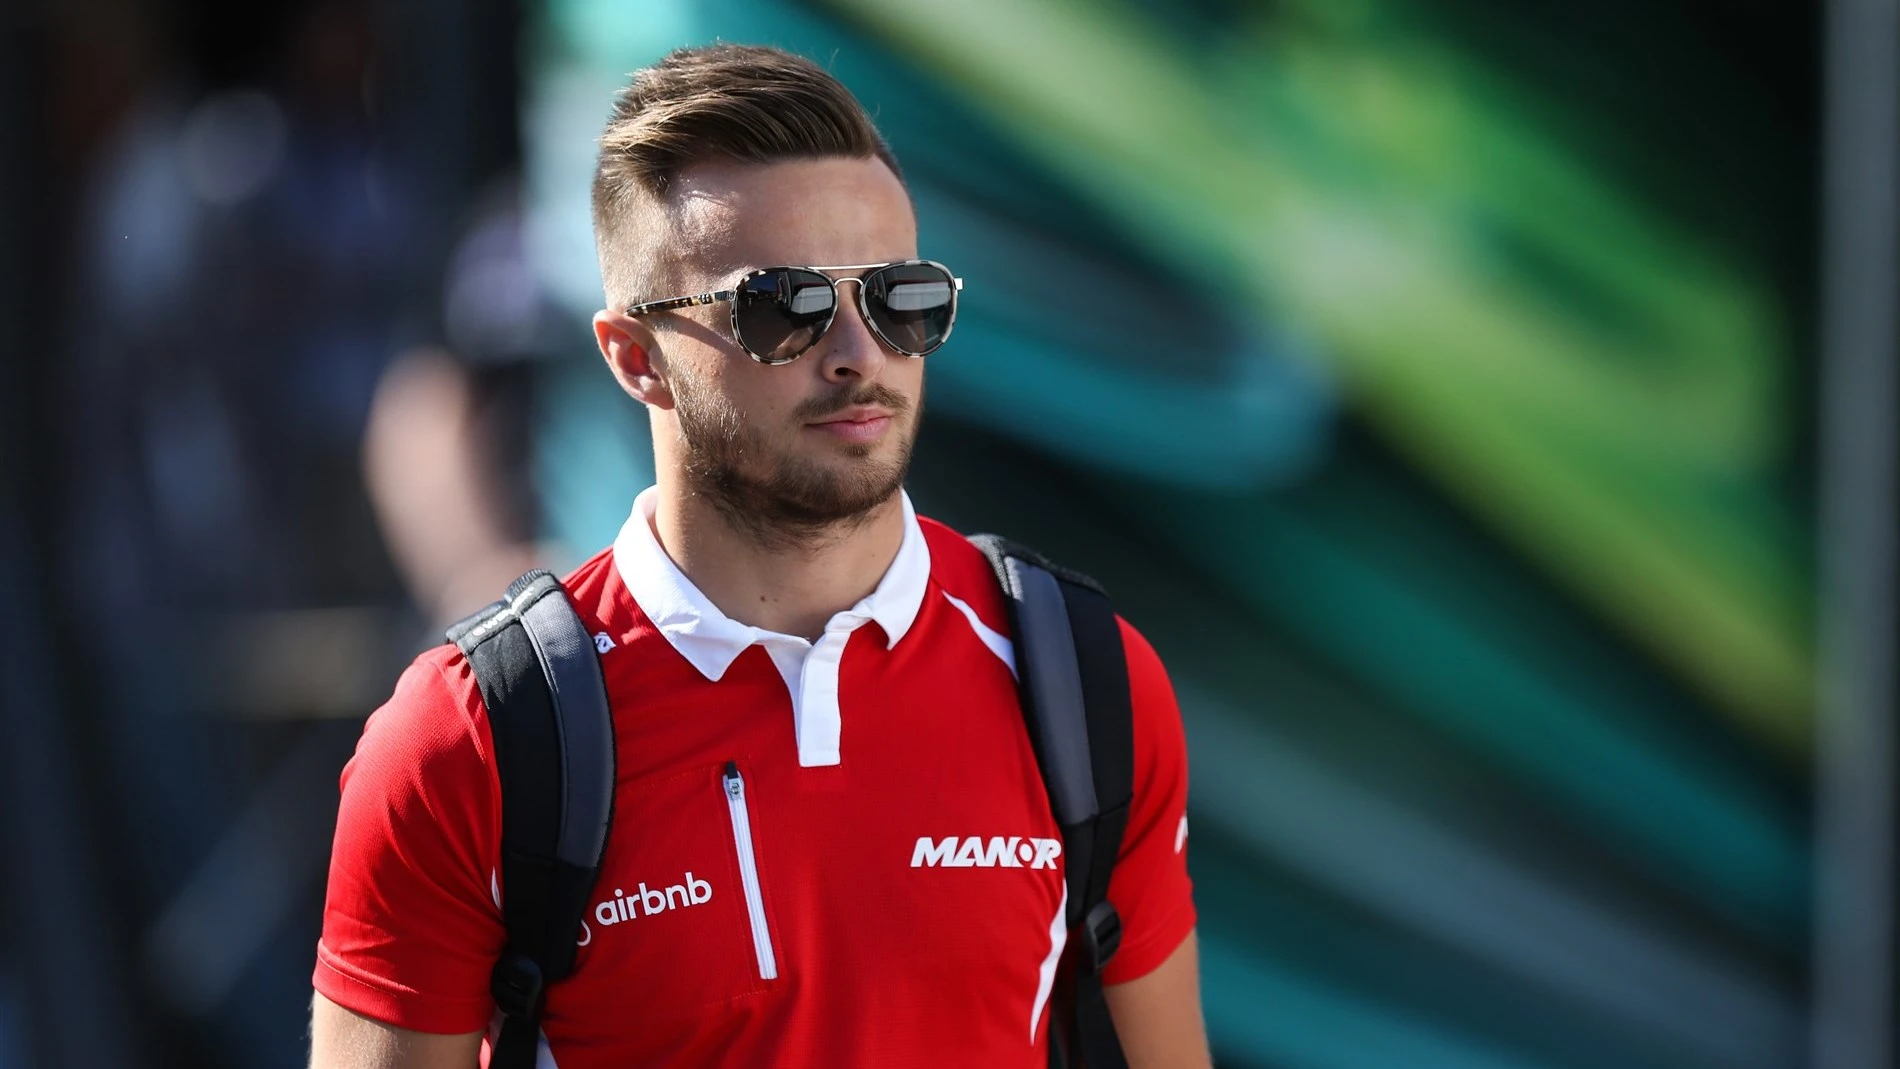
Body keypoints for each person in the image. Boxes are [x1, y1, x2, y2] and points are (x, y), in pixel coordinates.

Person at [309, 44, 1209, 1068]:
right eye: (785, 307)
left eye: (900, 296)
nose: (859, 353)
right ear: (635, 357)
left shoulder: (1084, 683)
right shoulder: (462, 745)